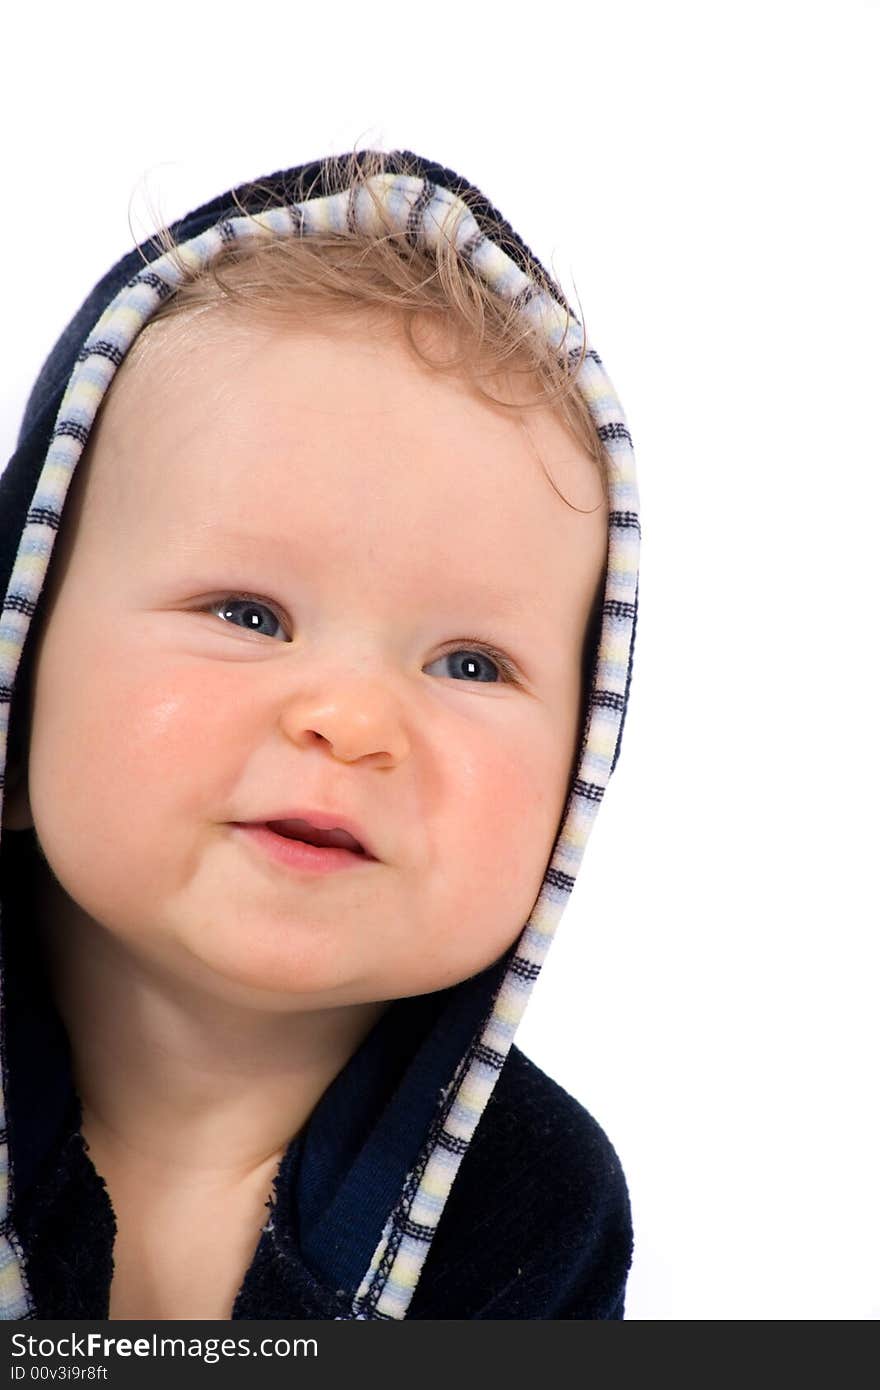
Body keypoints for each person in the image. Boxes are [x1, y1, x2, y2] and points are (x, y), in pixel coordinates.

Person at [0, 148, 641, 1321]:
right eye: (248, 615)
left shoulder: (534, 1206)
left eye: (470, 663)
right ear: (18, 676)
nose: (350, 723)